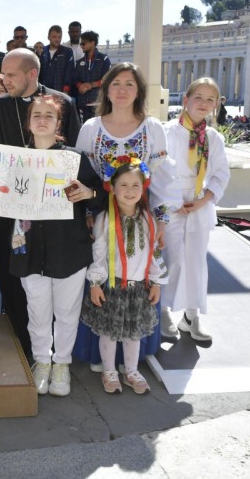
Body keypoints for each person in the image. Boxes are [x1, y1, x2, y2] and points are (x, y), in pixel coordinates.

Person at [0, 48, 81, 353]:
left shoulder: (63, 104)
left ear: (32, 74)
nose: (4, 80)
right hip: (9, 209)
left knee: (50, 272)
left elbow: (75, 156)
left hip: (52, 210)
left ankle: (56, 347)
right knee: (11, 270)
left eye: (11, 75)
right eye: (3, 74)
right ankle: (21, 336)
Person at [73, 62, 180, 370]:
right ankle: (100, 356)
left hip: (140, 220)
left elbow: (162, 179)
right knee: (102, 280)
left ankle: (131, 359)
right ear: (106, 89)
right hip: (102, 219)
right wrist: (87, 214)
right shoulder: (91, 128)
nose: (122, 90)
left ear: (139, 91)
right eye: (116, 83)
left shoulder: (152, 128)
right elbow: (81, 175)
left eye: (129, 84)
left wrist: (160, 219)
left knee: (137, 279)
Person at [5, 95, 103, 396]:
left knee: (66, 311)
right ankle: (41, 362)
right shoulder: (13, 158)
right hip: (29, 249)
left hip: (68, 249)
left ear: (59, 123)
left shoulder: (74, 158)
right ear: (29, 122)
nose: (43, 119)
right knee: (37, 311)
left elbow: (102, 195)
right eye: (37, 114)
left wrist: (88, 193)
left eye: (50, 115)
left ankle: (62, 364)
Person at [81, 159, 167, 395]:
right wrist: (95, 283)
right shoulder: (105, 219)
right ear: (112, 187)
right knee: (108, 332)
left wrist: (156, 281)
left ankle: (131, 371)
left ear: (143, 187)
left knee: (133, 333)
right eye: (124, 185)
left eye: (135, 185)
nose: (130, 191)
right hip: (111, 287)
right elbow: (98, 253)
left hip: (138, 288)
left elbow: (153, 253)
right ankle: (109, 371)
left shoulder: (148, 220)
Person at [160, 78, 230, 342]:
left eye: (210, 99)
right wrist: (172, 201)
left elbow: (221, 174)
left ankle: (191, 315)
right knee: (171, 259)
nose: (203, 103)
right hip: (171, 206)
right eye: (198, 97)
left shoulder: (214, 138)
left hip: (199, 206)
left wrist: (204, 200)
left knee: (196, 262)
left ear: (215, 106)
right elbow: (156, 170)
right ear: (186, 100)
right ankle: (164, 310)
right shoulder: (166, 132)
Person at [72, 31, 112, 123]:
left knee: (98, 130)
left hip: (98, 103)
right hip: (82, 103)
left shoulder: (104, 59)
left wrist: (91, 85)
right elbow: (75, 80)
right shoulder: (79, 62)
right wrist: (80, 86)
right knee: (84, 130)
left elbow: (108, 80)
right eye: (80, 43)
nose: (81, 46)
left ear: (93, 43)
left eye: (83, 43)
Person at [39, 25, 73, 93]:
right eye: (54, 37)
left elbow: (69, 72)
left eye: (59, 37)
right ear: (48, 37)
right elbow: (39, 71)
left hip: (60, 92)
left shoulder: (67, 52)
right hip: (44, 91)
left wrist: (66, 90)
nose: (57, 39)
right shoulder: (43, 51)